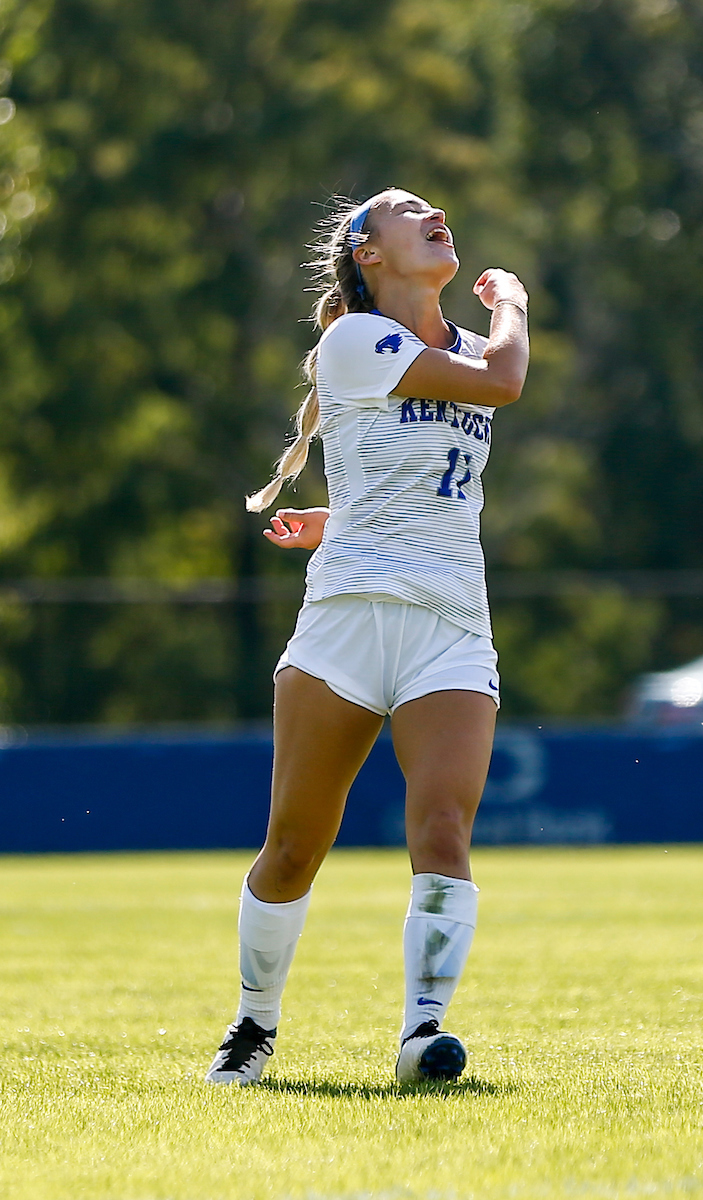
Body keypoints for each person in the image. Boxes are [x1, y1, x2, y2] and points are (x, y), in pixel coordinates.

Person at [206, 188, 529, 1085]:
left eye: (434, 206)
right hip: (346, 621)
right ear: (369, 253)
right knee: (295, 844)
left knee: (442, 829)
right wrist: (513, 304)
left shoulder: (453, 347)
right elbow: (506, 380)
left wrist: (333, 518)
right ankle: (253, 1025)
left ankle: (424, 1032)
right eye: (404, 209)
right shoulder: (353, 338)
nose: (434, 213)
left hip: (452, 623)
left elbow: (407, 473)